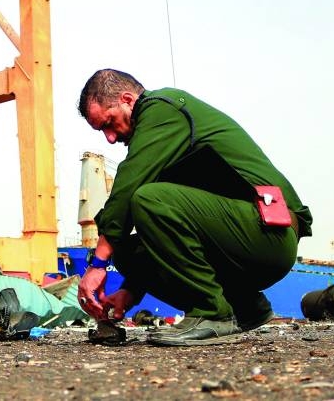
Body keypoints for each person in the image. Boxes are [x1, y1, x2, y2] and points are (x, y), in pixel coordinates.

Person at [76, 69, 313, 346]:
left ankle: (212, 313)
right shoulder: (160, 145)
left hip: (269, 232)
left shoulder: (161, 108)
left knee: (148, 199)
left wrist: (98, 264)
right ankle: (245, 307)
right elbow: (165, 235)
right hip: (242, 236)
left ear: (128, 100)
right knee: (128, 251)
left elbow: (129, 187)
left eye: (109, 123)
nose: (110, 139)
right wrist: (130, 291)